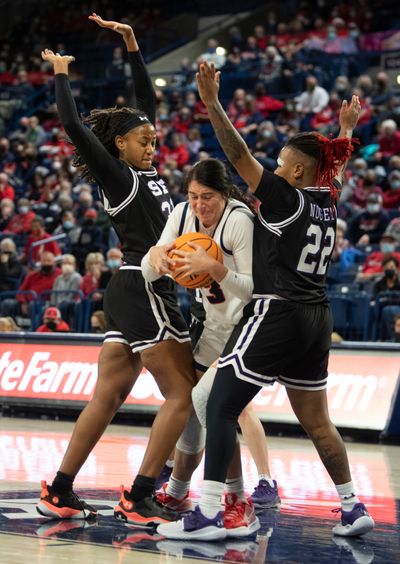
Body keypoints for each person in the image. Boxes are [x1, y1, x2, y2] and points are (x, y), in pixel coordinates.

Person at [158, 63, 374, 540]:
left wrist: (213, 104)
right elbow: (332, 167)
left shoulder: (287, 197)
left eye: (280, 164)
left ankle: (211, 512)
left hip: (277, 310)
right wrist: (343, 133)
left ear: (296, 172)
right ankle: (352, 505)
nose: (273, 168)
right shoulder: (327, 198)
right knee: (318, 421)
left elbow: (237, 155)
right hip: (317, 317)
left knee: (215, 402)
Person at [37, 14, 194, 526]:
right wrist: (61, 73)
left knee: (108, 394)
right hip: (143, 286)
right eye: (142, 141)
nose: (152, 145)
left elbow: (145, 105)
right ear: (120, 145)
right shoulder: (118, 175)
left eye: (153, 140)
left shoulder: (144, 165)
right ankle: (141, 494)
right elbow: (73, 127)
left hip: (131, 290)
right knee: (182, 393)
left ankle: (59, 490)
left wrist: (131, 45)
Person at [141, 159, 279, 525]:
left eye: (209, 197)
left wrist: (215, 267)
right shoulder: (184, 214)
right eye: (194, 196)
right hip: (211, 325)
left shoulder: (239, 220)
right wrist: (155, 258)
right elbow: (148, 268)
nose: (200, 205)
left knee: (217, 404)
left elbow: (253, 290)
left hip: (248, 324)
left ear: (225, 193)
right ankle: (177, 489)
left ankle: (238, 495)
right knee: (191, 403)